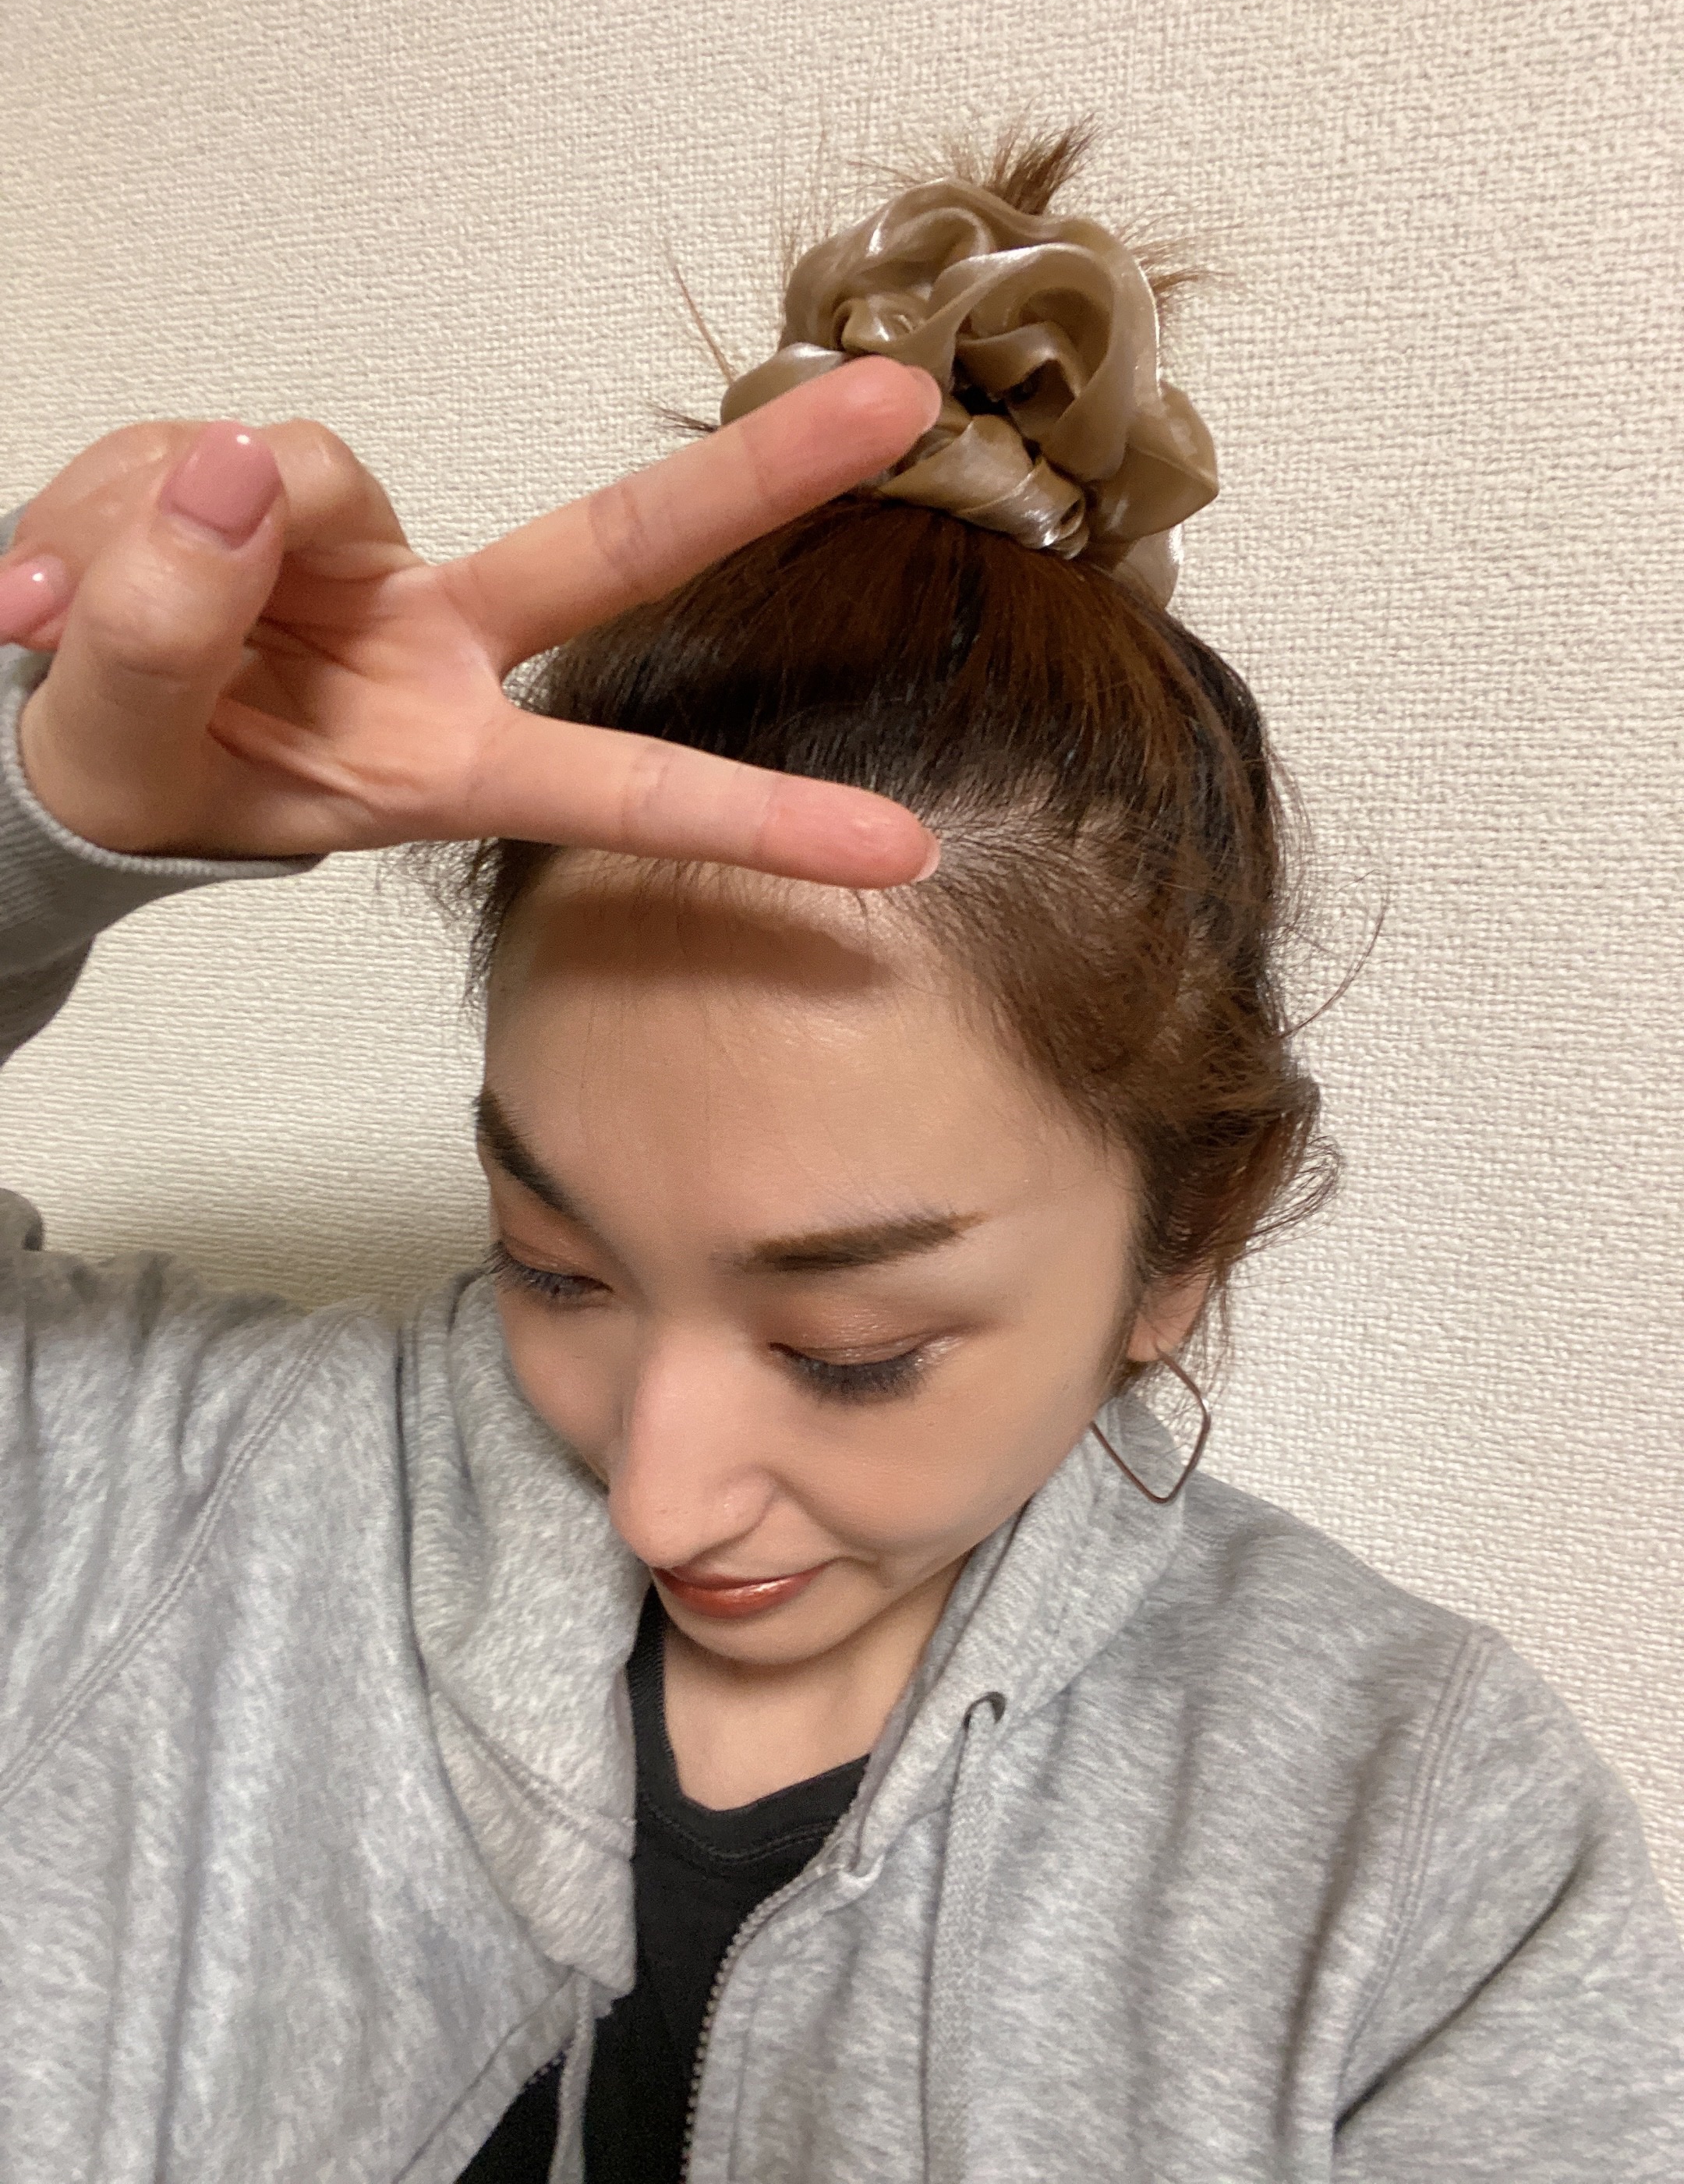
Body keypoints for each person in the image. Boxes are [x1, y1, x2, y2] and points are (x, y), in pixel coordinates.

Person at [0, 131, 1678, 2184]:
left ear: (1187, 1241)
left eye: (853, 1349)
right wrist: (32, 820)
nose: (661, 1489)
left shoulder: (1422, 1855)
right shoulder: (160, 1503)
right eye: (555, 1264)